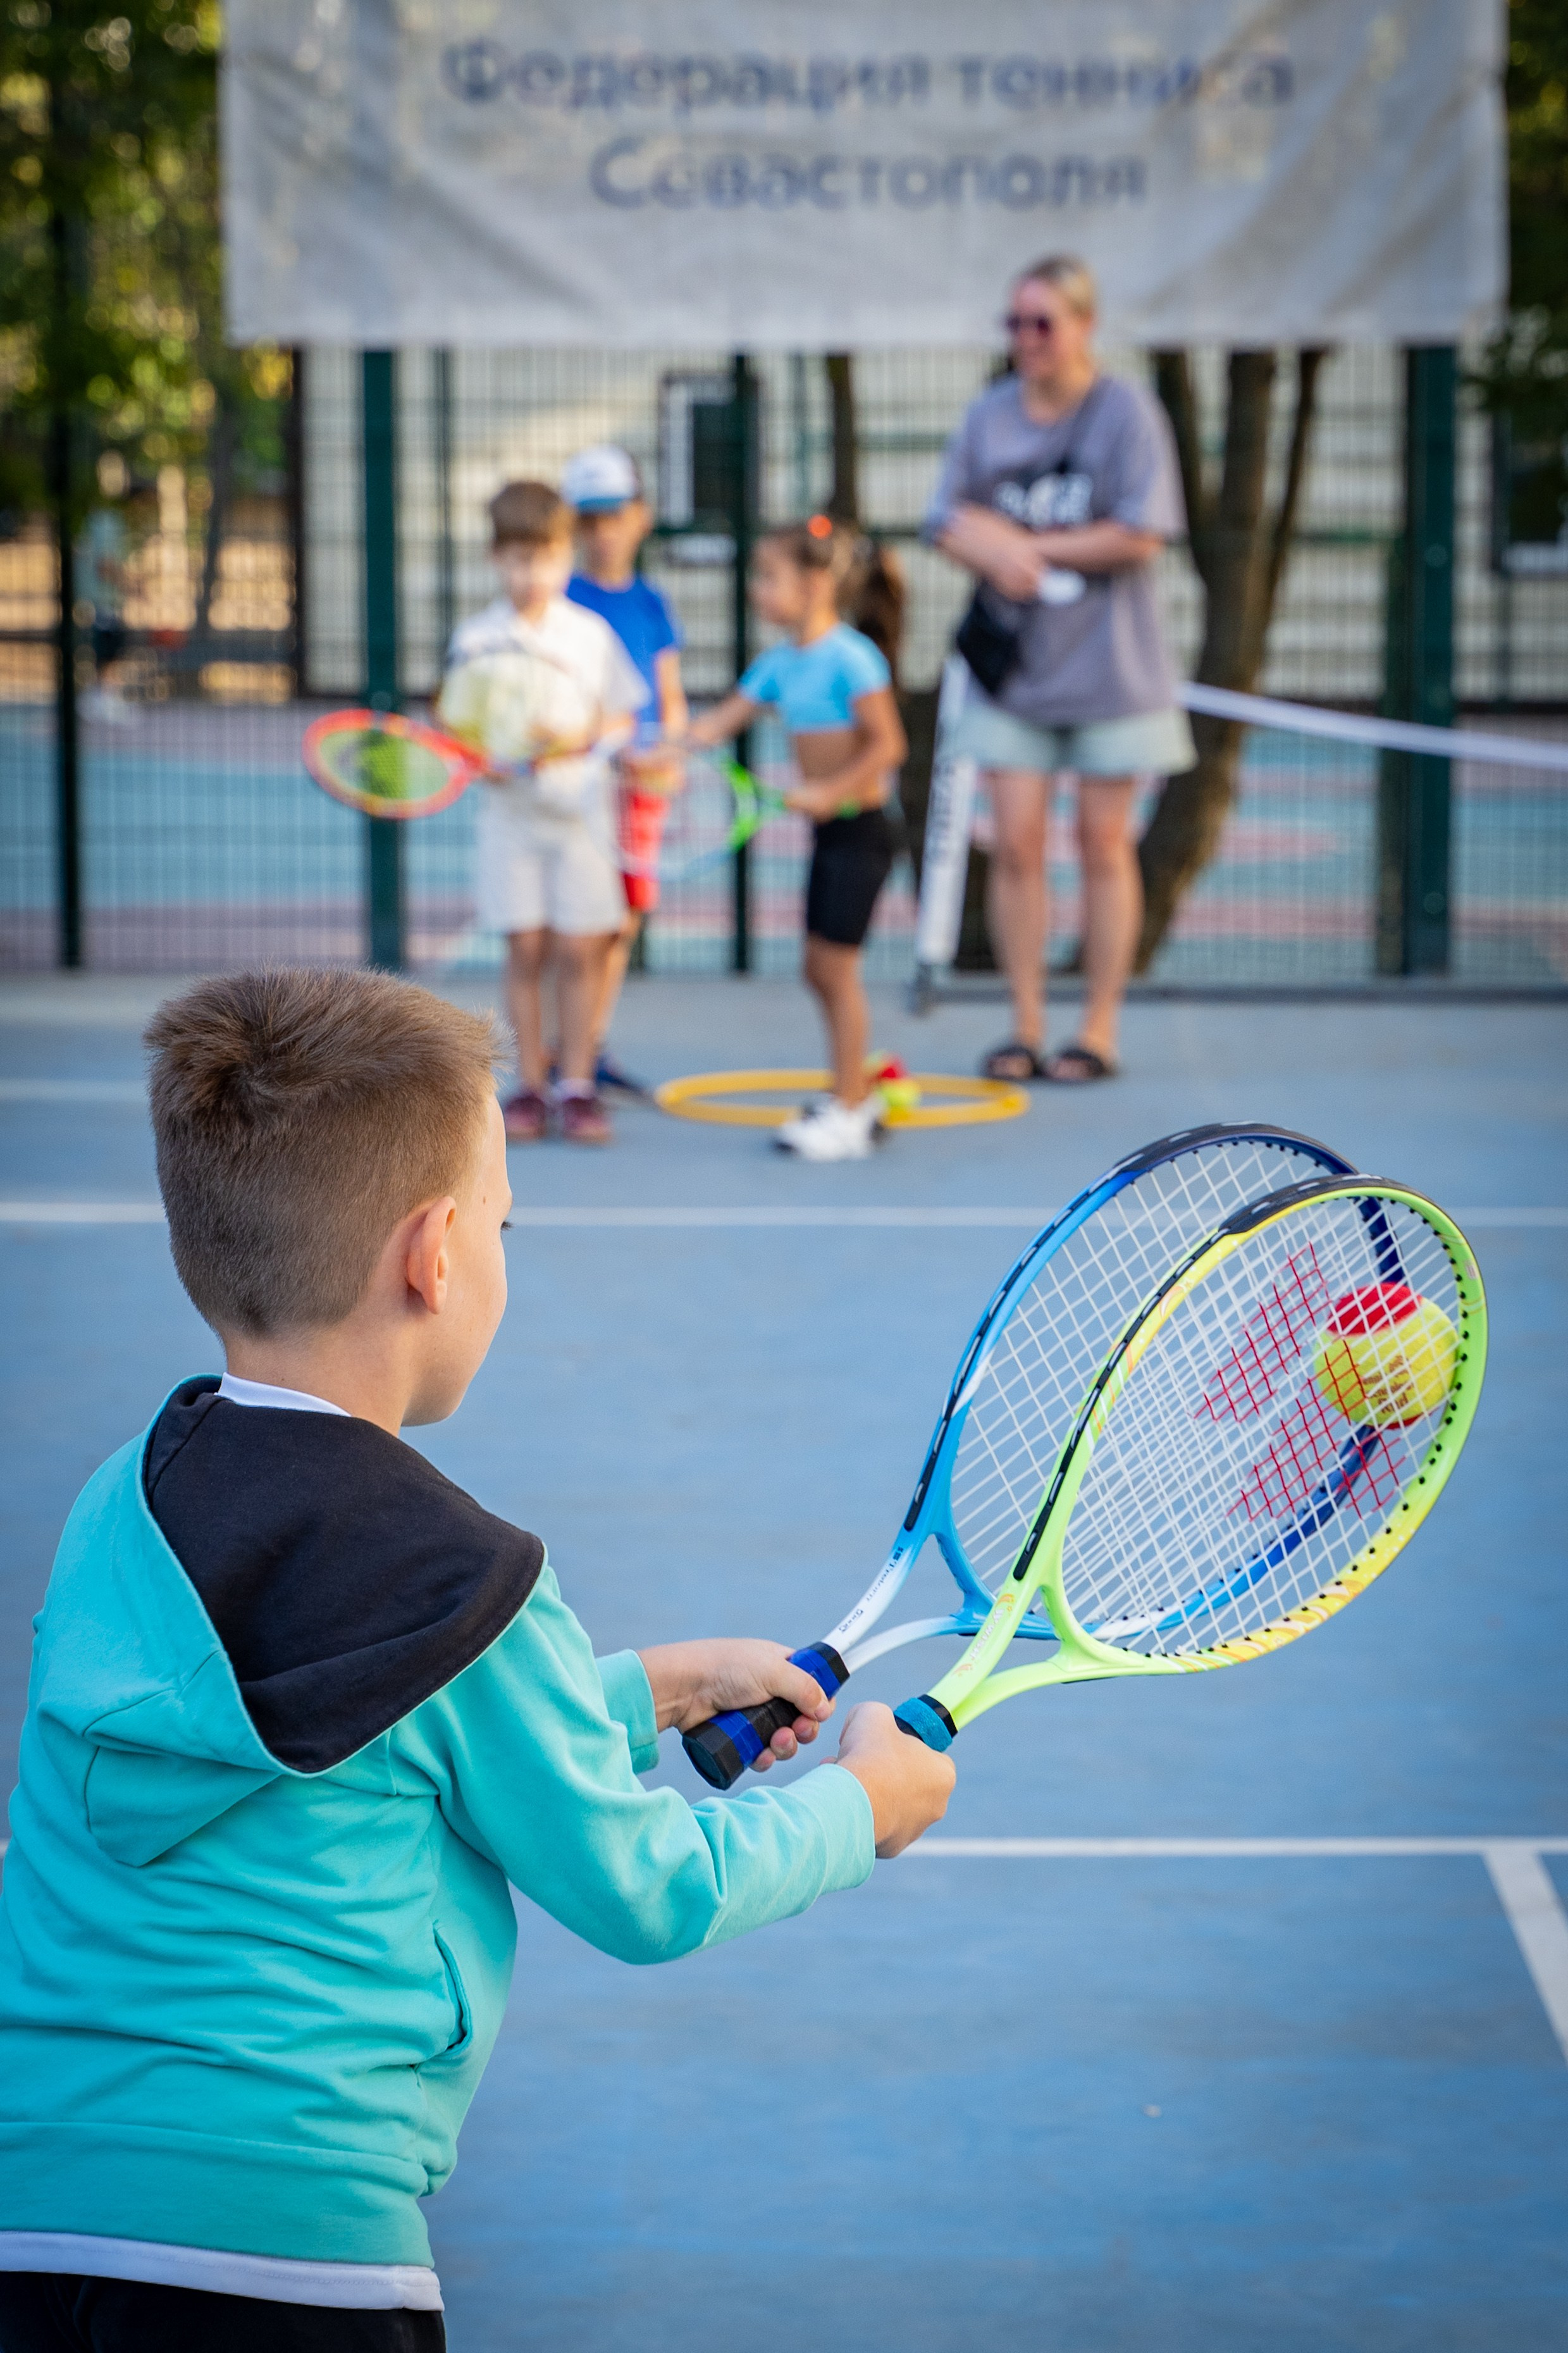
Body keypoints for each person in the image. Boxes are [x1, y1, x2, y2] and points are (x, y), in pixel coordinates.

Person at [0, 967, 954, 2352]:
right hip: (295, 2244)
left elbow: (341, 1732)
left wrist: (655, 1684)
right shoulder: (465, 1581)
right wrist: (860, 1808)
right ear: (435, 1252)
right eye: (503, 1221)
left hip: (36, 2211)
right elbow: (649, 1887)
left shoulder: (122, 1499)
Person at [925, 253, 1195, 1083]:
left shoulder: (1126, 411)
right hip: (1015, 672)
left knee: (1103, 843)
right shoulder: (988, 414)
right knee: (1015, 841)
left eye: (1041, 322)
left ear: (1084, 325)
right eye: (1014, 322)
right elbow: (944, 517)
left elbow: (1141, 531)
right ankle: (1025, 1024)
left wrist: (1027, 547)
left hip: (1112, 668)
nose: (1026, 338)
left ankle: (1098, 1027)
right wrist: (989, 549)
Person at [688, 518, 908, 1164]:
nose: (756, 589)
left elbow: (888, 746)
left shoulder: (852, 657)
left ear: (814, 584)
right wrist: (655, 751)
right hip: (829, 834)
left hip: (862, 832)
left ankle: (851, 1108)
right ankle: (850, 1091)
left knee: (835, 971)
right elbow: (716, 723)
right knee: (819, 969)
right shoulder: (779, 663)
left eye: (768, 577)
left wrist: (830, 789)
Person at [439, 480, 646, 1146]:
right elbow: (455, 731)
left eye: (548, 558)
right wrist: (483, 758)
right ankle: (529, 1085)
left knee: (581, 951)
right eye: (519, 559)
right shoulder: (477, 638)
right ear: (495, 558)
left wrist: (584, 739)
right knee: (525, 948)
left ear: (567, 556)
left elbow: (621, 716)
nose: (533, 574)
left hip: (581, 819)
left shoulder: (590, 635)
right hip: (510, 820)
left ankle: (577, 1085)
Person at [562, 444, 688, 1098]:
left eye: (613, 515)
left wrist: (671, 752)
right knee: (579, 926)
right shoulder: (562, 600)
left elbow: (669, 694)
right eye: (588, 519)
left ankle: (592, 1043)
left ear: (641, 516)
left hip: (641, 788)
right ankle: (565, 1053)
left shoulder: (651, 603)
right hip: (584, 786)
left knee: (621, 924)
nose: (602, 532)